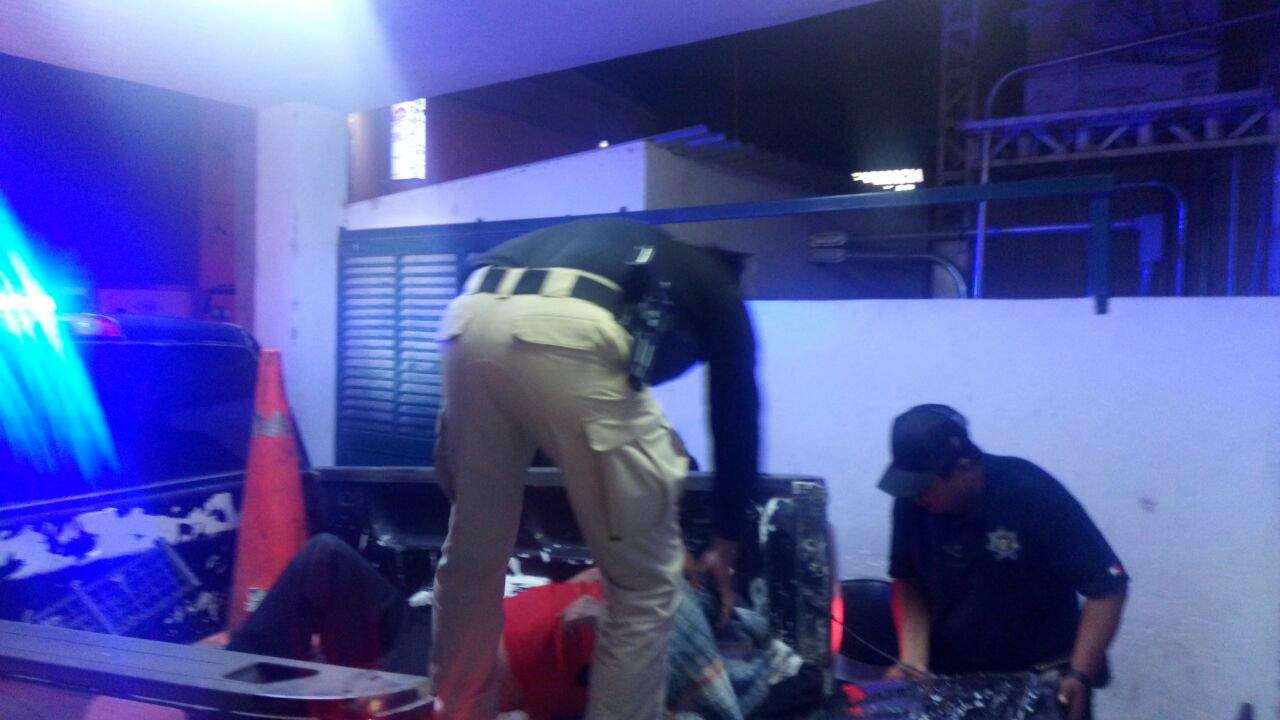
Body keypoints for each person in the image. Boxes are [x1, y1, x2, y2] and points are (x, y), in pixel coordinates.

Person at [430, 218, 759, 720]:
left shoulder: (624, 246)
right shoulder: (718, 285)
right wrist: (727, 538)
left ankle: (456, 711)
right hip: (573, 326)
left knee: (473, 561)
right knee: (645, 588)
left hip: (467, 315)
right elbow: (736, 414)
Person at [222, 534, 786, 720]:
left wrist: (612, 625)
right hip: (428, 623)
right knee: (324, 556)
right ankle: (222, 691)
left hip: (447, 674)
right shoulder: (615, 578)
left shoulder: (665, 619)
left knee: (359, 704)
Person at [877, 404, 1128, 720]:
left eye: (925, 487)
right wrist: (913, 660)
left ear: (964, 466)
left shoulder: (1029, 491)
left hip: (1042, 676)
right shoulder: (912, 503)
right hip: (956, 677)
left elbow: (1108, 588)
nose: (918, 497)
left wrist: (1079, 675)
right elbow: (908, 581)